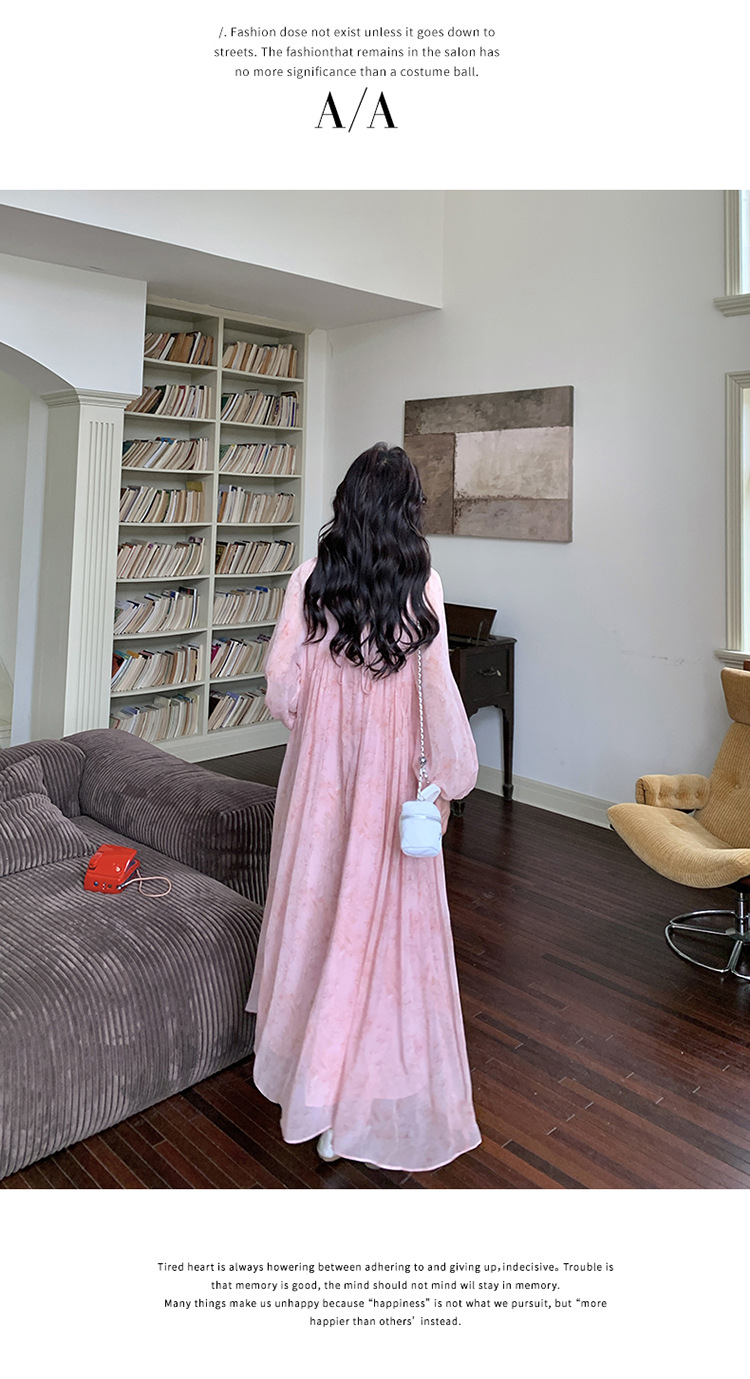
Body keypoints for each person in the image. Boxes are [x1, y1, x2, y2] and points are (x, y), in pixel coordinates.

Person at [245, 442, 481, 1172]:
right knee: (380, 933)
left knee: (318, 918)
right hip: (388, 785)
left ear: (347, 503)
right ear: (408, 509)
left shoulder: (310, 579)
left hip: (321, 781)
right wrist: (448, 780)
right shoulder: (423, 586)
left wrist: (329, 712)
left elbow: (282, 692)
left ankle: (315, 1088)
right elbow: (437, 695)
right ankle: (360, 1094)